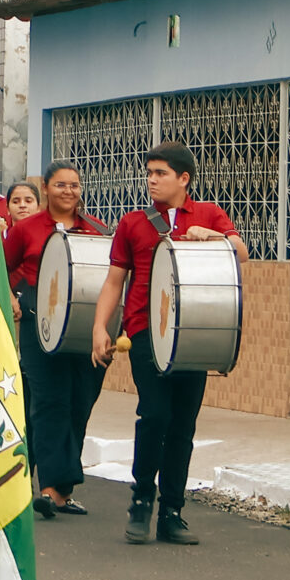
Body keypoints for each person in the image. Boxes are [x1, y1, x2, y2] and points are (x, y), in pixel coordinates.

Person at [90, 140, 246, 547]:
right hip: (145, 331)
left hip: (194, 332)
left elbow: (241, 253)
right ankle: (142, 500)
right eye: (149, 173)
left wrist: (214, 236)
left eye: (160, 173)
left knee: (182, 425)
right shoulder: (132, 223)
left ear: (184, 178)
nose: (152, 180)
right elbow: (114, 281)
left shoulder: (209, 214)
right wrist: (100, 327)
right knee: (154, 415)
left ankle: (172, 512)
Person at [6, 162, 110, 519]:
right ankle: (49, 490)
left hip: (85, 327)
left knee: (79, 403)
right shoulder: (26, 229)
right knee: (50, 404)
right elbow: (2, 266)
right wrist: (11, 297)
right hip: (40, 323)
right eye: (61, 185)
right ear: (46, 188)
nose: (68, 191)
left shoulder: (97, 229)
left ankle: (63, 491)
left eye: (74, 185)